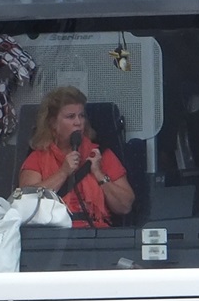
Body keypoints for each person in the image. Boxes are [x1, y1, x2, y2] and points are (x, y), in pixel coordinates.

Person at [19, 86, 134, 227]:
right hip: (54, 236)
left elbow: (125, 206)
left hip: (96, 235)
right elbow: (27, 204)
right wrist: (63, 172)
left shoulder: (101, 155)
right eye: (70, 117)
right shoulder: (37, 158)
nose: (78, 123)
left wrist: (99, 174)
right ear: (53, 123)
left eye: (81, 116)